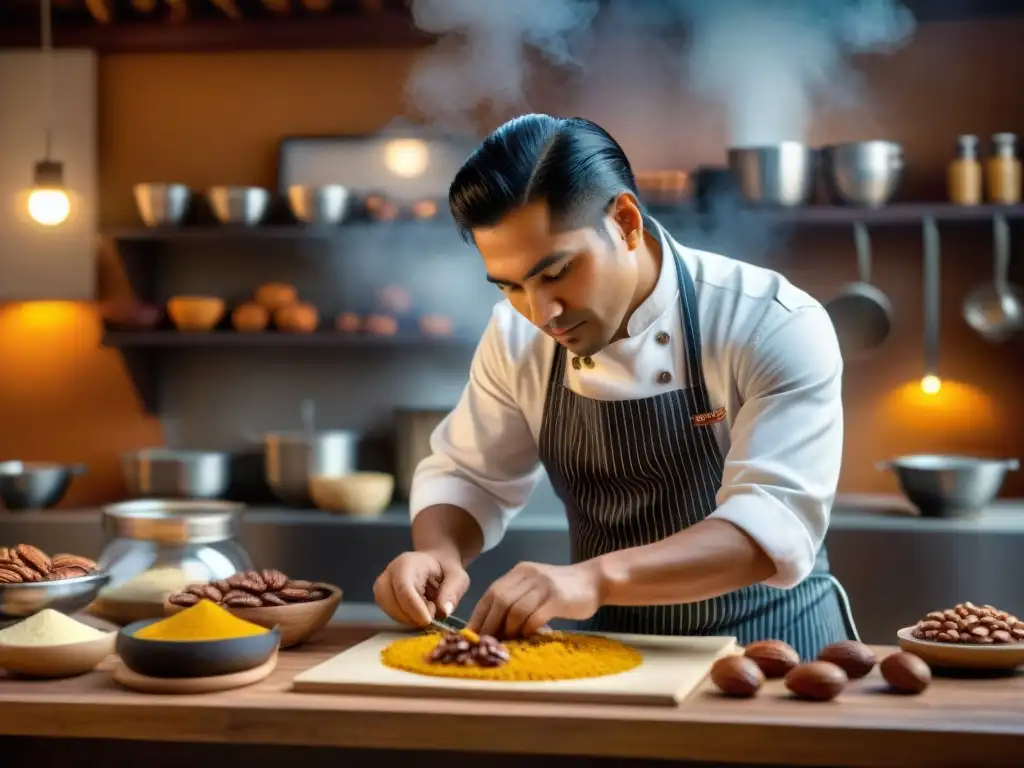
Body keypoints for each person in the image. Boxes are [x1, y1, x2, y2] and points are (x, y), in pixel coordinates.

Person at [373, 113, 855, 659]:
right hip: (611, 658)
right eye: (511, 286)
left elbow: (771, 525)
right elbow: (469, 475)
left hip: (774, 657)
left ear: (625, 221)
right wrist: (439, 552)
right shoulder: (515, 336)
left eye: (556, 274)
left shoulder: (770, 321)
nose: (541, 312)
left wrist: (593, 579)